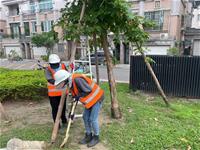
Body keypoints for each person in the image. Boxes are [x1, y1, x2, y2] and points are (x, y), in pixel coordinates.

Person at [54, 70, 104, 147]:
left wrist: (79, 96)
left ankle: (96, 137)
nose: (61, 85)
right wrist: (72, 111)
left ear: (64, 79)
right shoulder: (70, 83)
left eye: (60, 83)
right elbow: (76, 94)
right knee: (85, 117)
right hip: (91, 100)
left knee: (92, 119)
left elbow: (88, 90)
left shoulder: (77, 79)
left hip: (97, 98)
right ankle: (88, 135)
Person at [45, 54, 68, 127]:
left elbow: (67, 75)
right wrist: (59, 82)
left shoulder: (63, 66)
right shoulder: (48, 69)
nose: (54, 65)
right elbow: (49, 79)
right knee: (55, 109)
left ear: (59, 62)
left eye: (55, 64)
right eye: (53, 64)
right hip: (53, 94)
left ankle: (64, 119)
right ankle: (57, 124)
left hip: (63, 92)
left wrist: (66, 81)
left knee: (63, 107)